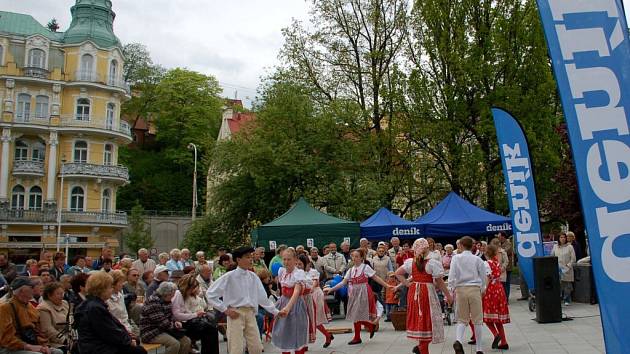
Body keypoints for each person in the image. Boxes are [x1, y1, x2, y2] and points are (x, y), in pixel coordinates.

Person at [206, 246, 280, 354]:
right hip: (235, 312)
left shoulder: (253, 277)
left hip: (250, 313)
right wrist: (225, 309)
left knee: (257, 348)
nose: (250, 259)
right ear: (238, 259)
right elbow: (210, 294)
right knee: (236, 349)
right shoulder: (229, 276)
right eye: (247, 257)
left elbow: (262, 298)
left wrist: (276, 312)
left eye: (251, 257)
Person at [395, 238, 451, 354]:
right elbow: (439, 282)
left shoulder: (412, 262)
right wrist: (448, 295)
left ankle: (421, 346)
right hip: (427, 292)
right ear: (427, 248)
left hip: (414, 291)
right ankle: (422, 348)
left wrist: (408, 284)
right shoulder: (431, 263)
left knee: (420, 318)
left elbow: (398, 273)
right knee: (428, 318)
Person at [325, 249, 391, 345]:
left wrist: (387, 286)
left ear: (361, 258)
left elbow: (375, 277)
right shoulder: (351, 270)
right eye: (353, 256)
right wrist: (331, 289)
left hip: (364, 292)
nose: (354, 258)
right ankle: (369, 327)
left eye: (357, 256)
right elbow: (343, 282)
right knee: (356, 315)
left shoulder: (365, 267)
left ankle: (357, 337)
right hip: (354, 293)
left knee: (356, 315)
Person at [74, 272, 146, 354]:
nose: (112, 290)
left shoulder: (91, 304)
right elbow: (109, 332)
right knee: (138, 351)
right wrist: (128, 341)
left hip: (97, 345)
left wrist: (128, 337)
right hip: (97, 348)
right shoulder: (95, 308)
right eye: (110, 287)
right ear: (101, 289)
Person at [0, 277, 63, 354]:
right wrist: (28, 346)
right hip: (11, 347)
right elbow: (7, 338)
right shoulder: (5, 308)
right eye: (31, 287)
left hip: (30, 343)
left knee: (58, 352)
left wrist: (44, 346)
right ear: (22, 290)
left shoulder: (29, 306)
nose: (34, 289)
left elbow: (38, 331)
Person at [449, 236, 487, 354]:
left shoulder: (456, 258)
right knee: (477, 320)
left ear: (460, 245)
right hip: (474, 288)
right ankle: (479, 348)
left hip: (460, 289)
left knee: (462, 319)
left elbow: (452, 275)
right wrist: (482, 289)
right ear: (472, 246)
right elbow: (483, 276)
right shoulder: (477, 260)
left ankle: (458, 340)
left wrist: (451, 289)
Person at [271, 248, 309, 354]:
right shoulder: (281, 271)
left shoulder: (299, 273)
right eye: (284, 259)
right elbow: (281, 290)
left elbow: (296, 292)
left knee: (296, 332)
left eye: (289, 259)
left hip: (295, 304)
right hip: (283, 302)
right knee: (283, 332)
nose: (286, 262)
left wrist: (288, 307)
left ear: (295, 260)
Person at [172, 273, 219, 354]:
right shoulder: (178, 294)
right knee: (210, 330)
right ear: (187, 287)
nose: (193, 290)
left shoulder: (183, 295)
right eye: (192, 288)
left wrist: (197, 314)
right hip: (179, 325)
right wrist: (195, 314)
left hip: (186, 322)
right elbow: (177, 315)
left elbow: (184, 312)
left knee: (212, 329)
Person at [140, 282, 192, 354]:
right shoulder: (153, 301)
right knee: (174, 344)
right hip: (151, 332)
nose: (172, 298)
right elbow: (162, 322)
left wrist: (175, 322)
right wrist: (174, 326)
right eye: (171, 296)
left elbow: (169, 317)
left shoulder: (166, 300)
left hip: (164, 329)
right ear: (166, 294)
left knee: (186, 341)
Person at [296, 254, 334, 348]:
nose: (298, 266)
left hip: (316, 295)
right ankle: (305, 343)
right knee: (306, 320)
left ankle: (327, 336)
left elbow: (315, 282)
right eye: (297, 264)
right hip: (304, 296)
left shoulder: (313, 271)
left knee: (315, 320)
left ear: (307, 264)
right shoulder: (297, 272)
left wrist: (311, 288)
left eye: (300, 264)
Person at [482, 245, 510, 350]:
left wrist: (483, 290)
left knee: (487, 317)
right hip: (499, 289)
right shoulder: (497, 263)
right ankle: (504, 341)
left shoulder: (486, 263)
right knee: (497, 318)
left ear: (486, 253)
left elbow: (488, 278)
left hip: (491, 290)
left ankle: (495, 334)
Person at [37, 282, 71, 352]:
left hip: (70, 337)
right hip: (55, 342)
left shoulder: (65, 303)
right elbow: (48, 330)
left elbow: (72, 320)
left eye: (62, 293)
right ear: (49, 295)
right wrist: (66, 340)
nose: (62, 296)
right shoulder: (43, 308)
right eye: (58, 294)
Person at [107, 270, 139, 337]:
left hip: (125, 326)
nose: (122, 284)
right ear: (113, 283)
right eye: (120, 282)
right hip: (115, 330)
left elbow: (124, 315)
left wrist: (129, 329)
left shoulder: (120, 295)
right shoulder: (107, 298)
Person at [552, 232, 576, 306]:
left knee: (567, 285)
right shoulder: (555, 246)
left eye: (564, 237)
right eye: (561, 237)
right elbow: (552, 256)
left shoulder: (569, 247)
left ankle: (567, 299)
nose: (563, 239)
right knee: (559, 284)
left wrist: (568, 265)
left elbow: (573, 258)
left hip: (567, 268)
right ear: (558, 238)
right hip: (558, 268)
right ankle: (559, 298)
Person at [497, 232, 514, 299]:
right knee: (502, 283)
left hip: (507, 267)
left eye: (499, 236)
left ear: (503, 237)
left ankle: (506, 298)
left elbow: (505, 251)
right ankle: (503, 297)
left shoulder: (508, 244)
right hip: (501, 267)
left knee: (506, 284)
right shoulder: (500, 244)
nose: (498, 238)